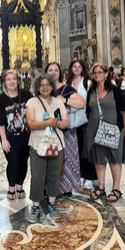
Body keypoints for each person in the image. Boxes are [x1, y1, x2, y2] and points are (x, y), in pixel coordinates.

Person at [83, 63, 125, 202]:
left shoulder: (114, 90)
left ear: (106, 74)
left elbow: (124, 111)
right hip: (94, 130)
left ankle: (116, 188)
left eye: (100, 72)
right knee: (99, 159)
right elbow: (88, 111)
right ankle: (101, 187)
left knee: (114, 159)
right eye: (95, 72)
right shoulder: (91, 92)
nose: (97, 75)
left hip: (113, 130)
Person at [25, 74, 69, 223]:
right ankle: (35, 206)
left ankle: (52, 202)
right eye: (42, 85)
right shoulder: (32, 102)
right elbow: (31, 124)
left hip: (56, 144)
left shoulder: (58, 103)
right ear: (38, 87)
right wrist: (50, 122)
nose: (45, 87)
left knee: (53, 175)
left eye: (47, 84)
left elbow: (66, 123)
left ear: (52, 86)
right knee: (37, 176)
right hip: (38, 144)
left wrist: (54, 123)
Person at [45, 62, 85, 198]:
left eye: (56, 70)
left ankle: (67, 187)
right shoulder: (42, 89)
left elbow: (81, 102)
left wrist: (65, 100)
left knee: (67, 160)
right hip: (48, 132)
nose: (53, 72)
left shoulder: (66, 88)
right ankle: (50, 188)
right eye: (50, 70)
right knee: (50, 160)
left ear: (60, 73)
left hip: (66, 131)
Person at [0, 69, 32, 201]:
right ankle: (11, 186)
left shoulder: (26, 95)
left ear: (18, 81)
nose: (11, 82)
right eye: (8, 79)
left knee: (23, 161)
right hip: (9, 138)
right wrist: (4, 140)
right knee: (14, 161)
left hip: (25, 136)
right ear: (5, 82)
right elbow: (1, 122)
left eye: (14, 79)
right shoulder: (1, 98)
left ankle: (20, 185)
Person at [66, 58, 97, 190]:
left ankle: (90, 177)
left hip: (85, 120)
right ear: (71, 68)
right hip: (71, 120)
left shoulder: (88, 82)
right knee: (76, 149)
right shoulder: (67, 83)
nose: (77, 69)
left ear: (82, 68)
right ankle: (80, 174)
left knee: (87, 149)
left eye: (79, 66)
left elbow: (92, 101)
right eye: (74, 66)